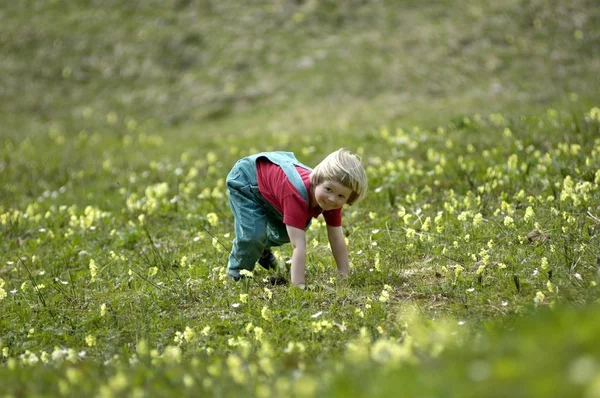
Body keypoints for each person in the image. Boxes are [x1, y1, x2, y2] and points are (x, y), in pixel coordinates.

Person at [225, 148, 367, 288]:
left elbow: (336, 238)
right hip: (246, 179)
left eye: (341, 196)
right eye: (328, 189)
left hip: (273, 188)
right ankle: (236, 275)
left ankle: (261, 249)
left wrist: (344, 275)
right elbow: (298, 245)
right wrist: (298, 285)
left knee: (289, 232)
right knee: (254, 235)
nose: (331, 199)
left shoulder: (333, 200)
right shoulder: (295, 194)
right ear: (318, 179)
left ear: (349, 198)